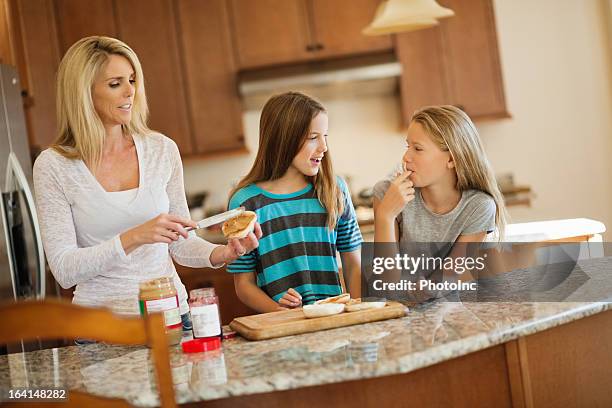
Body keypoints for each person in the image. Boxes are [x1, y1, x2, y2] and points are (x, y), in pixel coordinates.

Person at [33, 36, 260, 327]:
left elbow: (182, 245)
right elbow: (64, 270)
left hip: (172, 319)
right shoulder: (54, 166)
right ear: (83, 94)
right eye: (115, 84)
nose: (131, 91)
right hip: (100, 329)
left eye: (132, 80)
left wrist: (222, 253)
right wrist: (136, 235)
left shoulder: (161, 149)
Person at [227, 92, 362, 313]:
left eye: (325, 136)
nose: (324, 147)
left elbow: (353, 264)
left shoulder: (334, 189)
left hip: (335, 323)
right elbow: (244, 285)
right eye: (313, 137)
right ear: (284, 138)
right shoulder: (246, 203)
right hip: (282, 331)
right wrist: (280, 312)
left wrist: (359, 314)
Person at [373, 105, 507, 296]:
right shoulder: (387, 193)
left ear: (451, 159)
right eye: (407, 146)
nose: (406, 157)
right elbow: (386, 285)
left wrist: (427, 289)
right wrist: (385, 215)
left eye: (417, 149)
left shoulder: (479, 207)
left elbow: (445, 281)